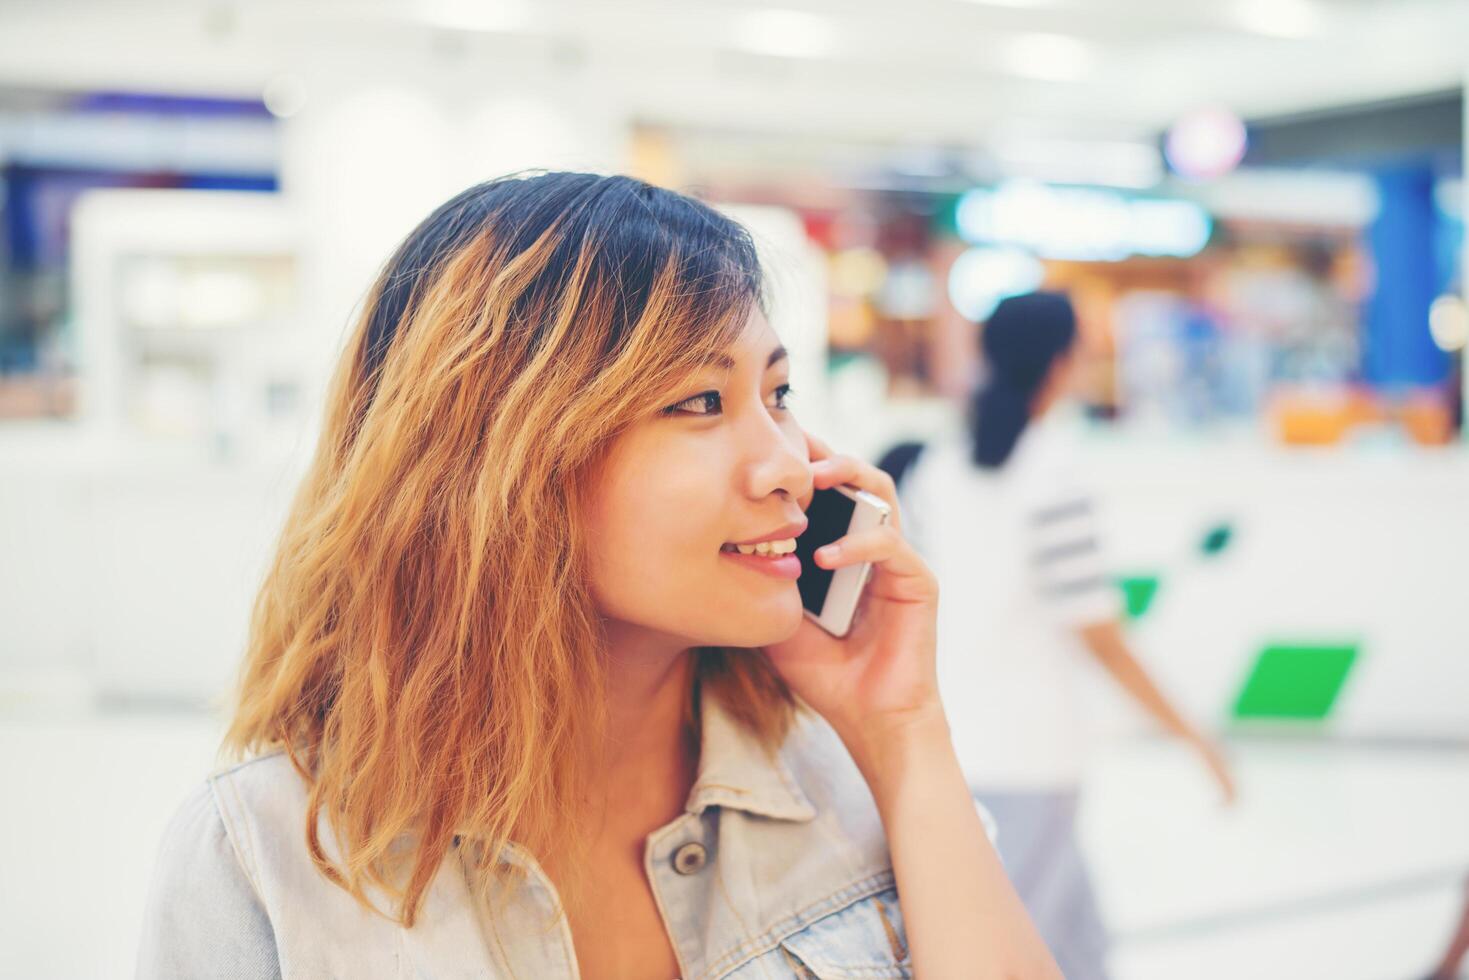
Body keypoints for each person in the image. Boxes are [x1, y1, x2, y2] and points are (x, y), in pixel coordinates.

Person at [135, 173, 1059, 979]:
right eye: (700, 401)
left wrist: (904, 733)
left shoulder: (852, 783)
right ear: (498, 458)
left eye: (777, 395)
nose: (785, 463)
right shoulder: (270, 854)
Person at [888, 291, 1236, 980]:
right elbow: (1100, 637)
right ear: (1061, 362)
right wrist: (1196, 739)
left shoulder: (936, 468)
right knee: (1011, 953)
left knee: (1078, 949)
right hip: (1029, 759)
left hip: (955, 746)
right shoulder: (1053, 475)